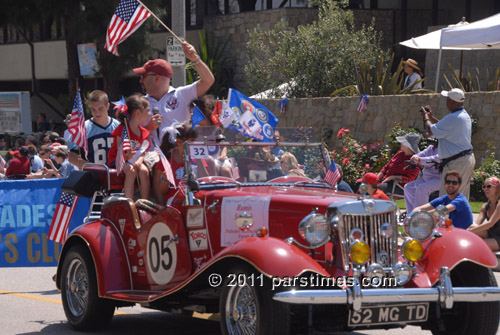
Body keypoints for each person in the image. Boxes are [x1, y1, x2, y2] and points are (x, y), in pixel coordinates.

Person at [133, 41, 214, 146]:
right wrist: (149, 128)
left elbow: (208, 81)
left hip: (179, 157)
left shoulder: (182, 94)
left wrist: (195, 59)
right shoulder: (140, 104)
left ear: (157, 78)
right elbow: (130, 135)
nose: (141, 81)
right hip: (151, 158)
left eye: (143, 76)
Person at [421, 88, 474, 200]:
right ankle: (457, 217)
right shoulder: (462, 115)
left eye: (448, 100)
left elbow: (431, 131)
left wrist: (425, 117)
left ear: (453, 102)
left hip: (456, 162)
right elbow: (442, 126)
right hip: (462, 159)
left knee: (449, 197)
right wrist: (431, 117)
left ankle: (450, 218)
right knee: (459, 196)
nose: (446, 102)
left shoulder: (453, 118)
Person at [108, 94, 153, 200]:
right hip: (118, 160)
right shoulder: (122, 130)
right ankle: (130, 202)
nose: (150, 114)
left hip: (135, 160)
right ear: (138, 112)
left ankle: (144, 203)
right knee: (131, 171)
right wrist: (127, 157)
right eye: (147, 110)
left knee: (144, 171)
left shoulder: (144, 132)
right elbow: (121, 152)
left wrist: (139, 161)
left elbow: (142, 151)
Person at [68, 90, 120, 169]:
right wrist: (94, 168)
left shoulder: (118, 126)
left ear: (108, 106)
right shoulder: (83, 128)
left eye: (100, 108)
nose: (97, 113)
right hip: (92, 177)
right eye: (93, 109)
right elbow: (72, 157)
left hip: (115, 176)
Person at [154, 121, 197, 205]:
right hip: (174, 199)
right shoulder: (166, 163)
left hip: (196, 196)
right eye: (192, 141)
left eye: (196, 141)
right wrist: (165, 179)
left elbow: (206, 179)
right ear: (179, 142)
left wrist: (199, 160)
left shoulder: (198, 159)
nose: (195, 144)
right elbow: (162, 192)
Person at [403, 139, 440, 213]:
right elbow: (419, 154)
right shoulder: (430, 148)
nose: (431, 141)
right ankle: (411, 215)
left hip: (439, 179)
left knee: (422, 188)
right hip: (426, 179)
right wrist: (414, 158)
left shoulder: (444, 149)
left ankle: (420, 215)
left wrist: (420, 160)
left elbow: (436, 158)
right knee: (408, 187)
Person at [468, 177, 500, 251]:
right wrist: (469, 231)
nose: (486, 189)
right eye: (484, 186)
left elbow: (490, 223)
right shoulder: (485, 206)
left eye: (489, 186)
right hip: (492, 234)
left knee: (477, 245)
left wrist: (468, 232)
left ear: (497, 188)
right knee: (473, 227)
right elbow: (477, 224)